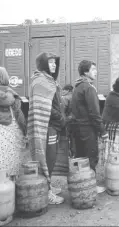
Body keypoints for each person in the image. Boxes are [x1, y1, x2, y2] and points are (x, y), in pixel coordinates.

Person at [27, 52, 68, 205]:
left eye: (55, 63)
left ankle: (47, 185)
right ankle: (46, 192)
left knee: (52, 156)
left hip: (54, 125)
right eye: (50, 62)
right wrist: (60, 117)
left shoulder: (50, 81)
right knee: (47, 158)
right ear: (43, 63)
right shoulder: (40, 81)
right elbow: (44, 107)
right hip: (48, 126)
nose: (54, 65)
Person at [71, 60, 108, 194]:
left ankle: (81, 186)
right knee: (91, 156)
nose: (96, 72)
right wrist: (102, 131)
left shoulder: (78, 86)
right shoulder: (88, 88)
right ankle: (91, 186)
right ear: (86, 72)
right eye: (93, 69)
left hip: (78, 128)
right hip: (87, 128)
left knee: (80, 157)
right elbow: (94, 113)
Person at [61, 84, 75, 157]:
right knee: (74, 139)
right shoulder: (76, 97)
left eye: (64, 90)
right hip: (75, 121)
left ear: (68, 91)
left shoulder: (64, 98)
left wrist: (63, 122)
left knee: (65, 138)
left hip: (67, 121)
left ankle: (66, 154)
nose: (62, 91)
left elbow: (62, 112)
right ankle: (74, 154)